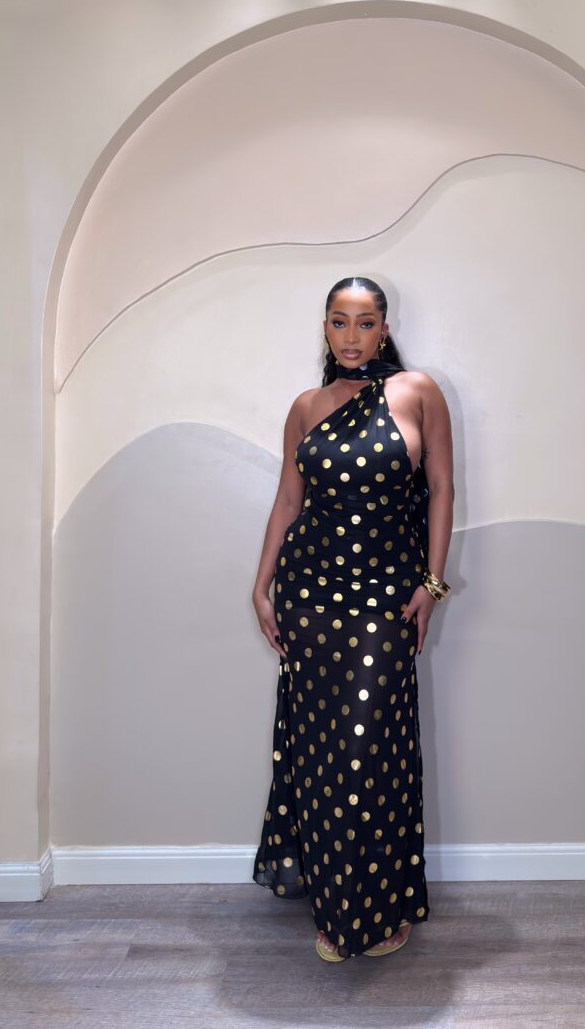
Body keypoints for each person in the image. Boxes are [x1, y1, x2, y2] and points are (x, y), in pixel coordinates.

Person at [251, 276, 454, 960]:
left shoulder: (418, 392)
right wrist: (261, 586)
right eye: (339, 321)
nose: (351, 335)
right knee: (323, 755)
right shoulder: (306, 407)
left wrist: (431, 584)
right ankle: (338, 913)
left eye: (365, 322)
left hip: (387, 595)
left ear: (384, 330)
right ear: (325, 329)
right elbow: (288, 500)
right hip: (309, 594)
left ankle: (380, 905)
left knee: (371, 750)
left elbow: (442, 488)